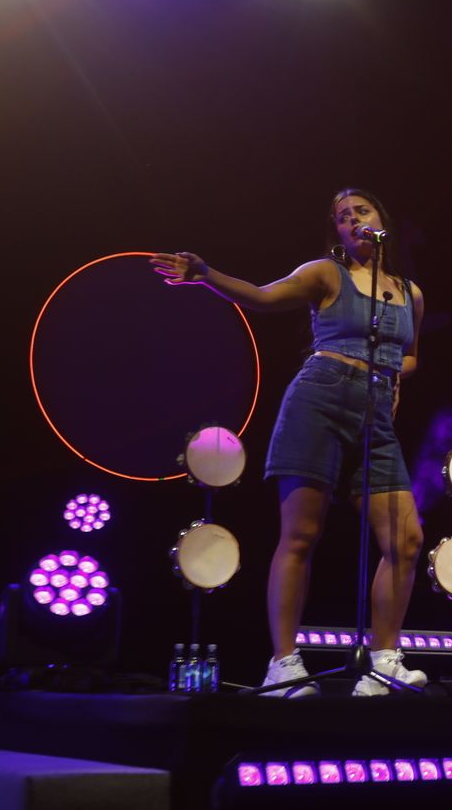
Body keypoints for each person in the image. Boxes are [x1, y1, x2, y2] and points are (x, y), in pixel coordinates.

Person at [150, 188, 427, 698]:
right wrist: (207, 274)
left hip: (375, 418)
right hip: (320, 399)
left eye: (360, 211)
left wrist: (394, 379)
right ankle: (283, 664)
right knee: (301, 536)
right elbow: (263, 295)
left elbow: (407, 355)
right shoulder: (325, 273)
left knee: (405, 540)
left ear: (381, 219)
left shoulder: (409, 292)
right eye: (342, 217)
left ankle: (385, 661)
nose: (352, 220)